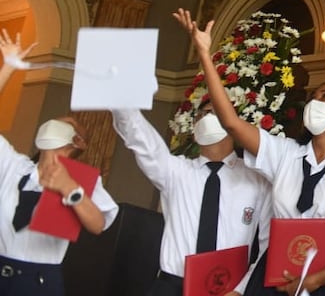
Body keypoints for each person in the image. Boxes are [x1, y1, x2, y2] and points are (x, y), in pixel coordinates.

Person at [174, 9, 325, 296]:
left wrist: (316, 279)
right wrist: (205, 54)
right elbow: (231, 122)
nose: (315, 102)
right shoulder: (285, 153)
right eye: (313, 97)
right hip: (276, 268)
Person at [0, 29, 119, 296]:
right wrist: (8, 67)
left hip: (39, 281)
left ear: (78, 142)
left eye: (67, 124)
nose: (57, 123)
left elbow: (98, 225)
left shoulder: (84, 180)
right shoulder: (13, 166)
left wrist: (70, 189)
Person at [111, 100, 272, 296]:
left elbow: (267, 246)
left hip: (227, 288)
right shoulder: (176, 171)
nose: (209, 118)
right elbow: (138, 135)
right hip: (172, 286)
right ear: (194, 129)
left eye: (217, 113)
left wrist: (240, 290)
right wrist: (119, 96)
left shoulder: (257, 180)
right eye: (203, 114)